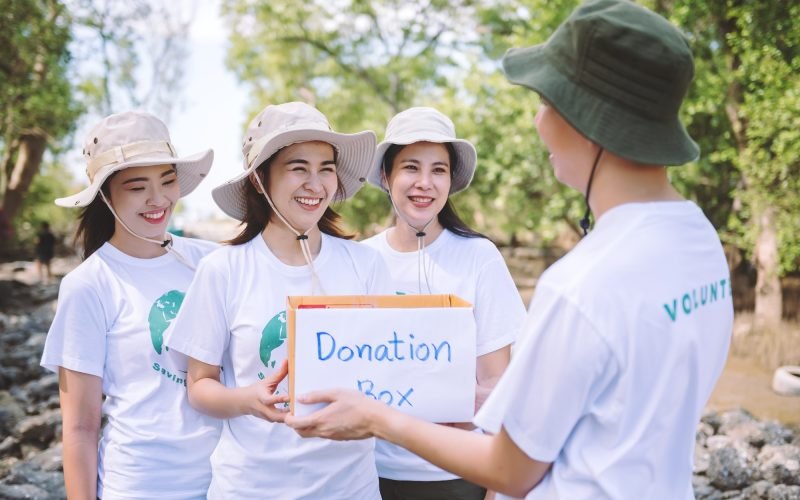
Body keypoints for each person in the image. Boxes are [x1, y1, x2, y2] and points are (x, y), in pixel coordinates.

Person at [283, 1, 734, 498]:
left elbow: (511, 470)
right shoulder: (699, 239)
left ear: (584, 119)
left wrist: (375, 417)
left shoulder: (582, 286)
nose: (539, 121)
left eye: (545, 99)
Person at [164, 102, 388, 499]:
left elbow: (389, 370)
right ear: (259, 180)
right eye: (298, 167)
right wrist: (247, 400)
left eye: (326, 168)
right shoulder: (223, 270)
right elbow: (199, 386)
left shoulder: (367, 265)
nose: (315, 184)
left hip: (350, 487)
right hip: (250, 487)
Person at [40, 111, 220, 499]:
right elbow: (80, 427)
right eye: (137, 187)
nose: (158, 200)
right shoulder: (88, 285)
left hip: (228, 482)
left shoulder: (212, 262)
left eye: (168, 181)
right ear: (106, 195)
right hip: (140, 485)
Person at [362, 106, 526, 499]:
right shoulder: (361, 261)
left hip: (459, 474)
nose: (424, 183)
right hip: (371, 474)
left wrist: (494, 490)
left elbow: (496, 385)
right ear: (386, 176)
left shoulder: (479, 257)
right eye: (410, 167)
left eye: (438, 170)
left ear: (451, 181)